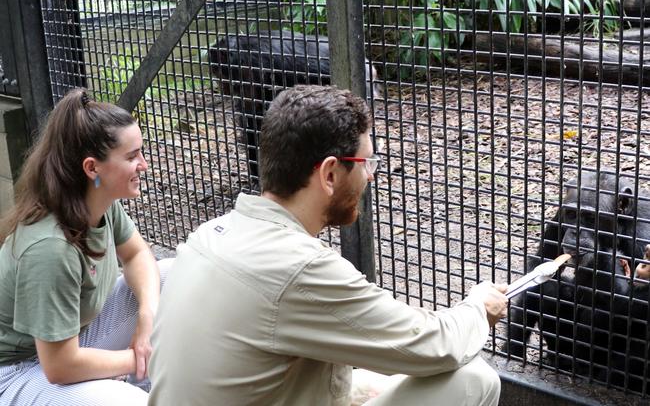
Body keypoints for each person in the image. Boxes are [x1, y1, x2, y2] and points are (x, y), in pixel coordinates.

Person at [149, 84, 508, 405]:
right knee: (473, 380)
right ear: (330, 174)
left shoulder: (211, 233)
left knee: (374, 377)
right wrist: (478, 307)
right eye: (366, 162)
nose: (371, 174)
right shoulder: (298, 267)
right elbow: (435, 346)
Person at [0, 89, 168, 405]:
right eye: (132, 156)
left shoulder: (98, 201)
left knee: (173, 272)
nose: (143, 164)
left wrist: (147, 317)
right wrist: (138, 359)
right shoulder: (50, 248)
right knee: (128, 402)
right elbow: (60, 366)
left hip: (69, 341)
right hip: (18, 371)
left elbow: (137, 255)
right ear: (92, 169)